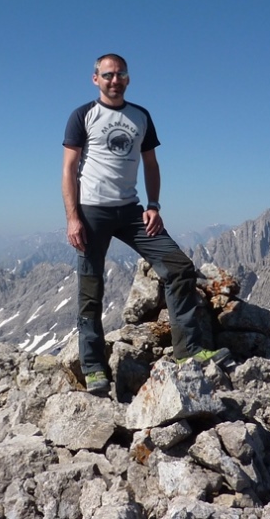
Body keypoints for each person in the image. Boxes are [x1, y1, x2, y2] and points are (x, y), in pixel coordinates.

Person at [62, 53, 228, 394]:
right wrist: (73, 217)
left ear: (128, 78)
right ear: (96, 79)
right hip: (92, 213)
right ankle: (94, 369)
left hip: (131, 212)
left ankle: (188, 351)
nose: (114, 79)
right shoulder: (83, 115)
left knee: (179, 267)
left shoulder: (141, 116)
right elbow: (68, 169)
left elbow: (151, 164)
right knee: (90, 293)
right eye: (107, 75)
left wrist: (153, 205)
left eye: (120, 74)